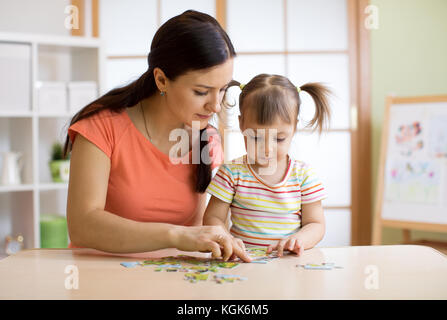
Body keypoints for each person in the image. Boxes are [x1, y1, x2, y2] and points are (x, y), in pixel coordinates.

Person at [64, 10, 251, 262]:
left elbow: (209, 226)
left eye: (223, 90)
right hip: (102, 278)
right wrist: (176, 235)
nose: (216, 106)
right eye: (201, 91)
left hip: (177, 280)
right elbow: (82, 225)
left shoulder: (207, 138)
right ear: (162, 80)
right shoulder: (101, 128)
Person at [203, 74, 331, 257]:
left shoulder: (303, 175)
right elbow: (213, 218)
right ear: (241, 124)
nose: (267, 148)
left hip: (288, 265)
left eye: (279, 139)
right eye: (256, 137)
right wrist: (226, 239)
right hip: (242, 263)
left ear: (294, 128)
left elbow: (316, 224)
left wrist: (300, 240)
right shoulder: (231, 173)